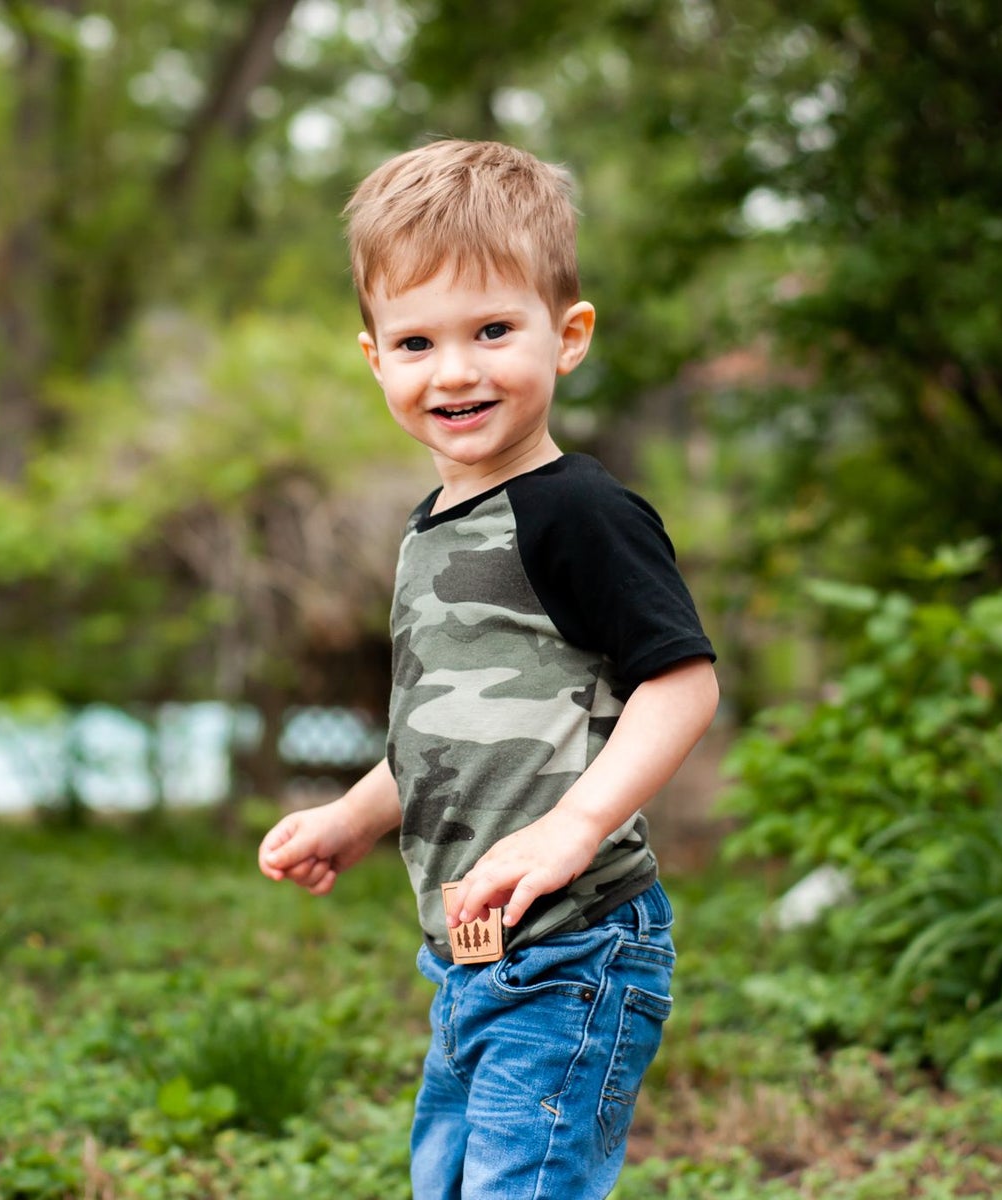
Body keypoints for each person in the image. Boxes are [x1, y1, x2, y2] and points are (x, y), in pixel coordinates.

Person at [258, 138, 718, 1200]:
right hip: (470, 957)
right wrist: (354, 817)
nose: (455, 370)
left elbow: (683, 684)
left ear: (569, 337)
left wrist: (572, 827)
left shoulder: (581, 513)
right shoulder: (431, 531)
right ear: (374, 358)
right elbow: (441, 732)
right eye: (417, 341)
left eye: (493, 331)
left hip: (576, 947)